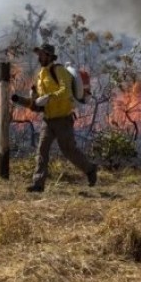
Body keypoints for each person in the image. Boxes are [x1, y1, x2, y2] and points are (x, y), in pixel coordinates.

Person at [26, 43, 97, 192]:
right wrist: (34, 96)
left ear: (49, 56)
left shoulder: (59, 70)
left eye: (42, 54)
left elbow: (65, 92)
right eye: (38, 54)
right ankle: (38, 184)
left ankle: (90, 169)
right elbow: (40, 96)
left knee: (69, 150)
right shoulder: (41, 75)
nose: (39, 57)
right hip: (48, 119)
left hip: (63, 119)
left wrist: (49, 97)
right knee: (42, 150)